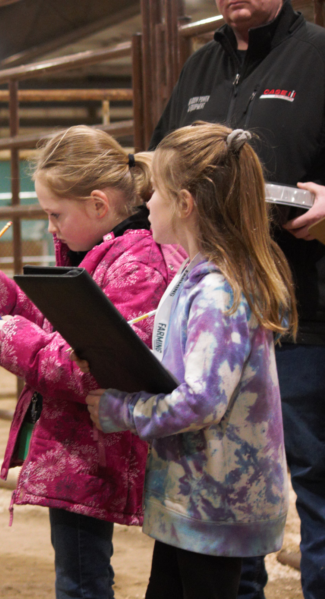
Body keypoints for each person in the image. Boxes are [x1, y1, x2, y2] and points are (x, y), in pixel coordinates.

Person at [0, 125, 185, 599]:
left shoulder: (136, 267)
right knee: (79, 572)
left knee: (82, 580)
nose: (50, 227)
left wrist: (11, 338)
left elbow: (93, 363)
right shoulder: (99, 253)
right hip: (81, 445)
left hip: (96, 446)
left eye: (55, 214)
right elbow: (64, 325)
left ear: (99, 205)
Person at [149, 2, 325, 596]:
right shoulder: (199, 67)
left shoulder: (320, 55)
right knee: (228, 487)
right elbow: (161, 168)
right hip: (216, 308)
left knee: (317, 485)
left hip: (305, 311)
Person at [84, 123, 295, 599]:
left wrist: (123, 410)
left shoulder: (219, 288)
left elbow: (201, 400)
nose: (146, 203)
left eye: (155, 191)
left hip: (215, 499)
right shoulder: (195, 275)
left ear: (184, 203)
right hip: (192, 492)